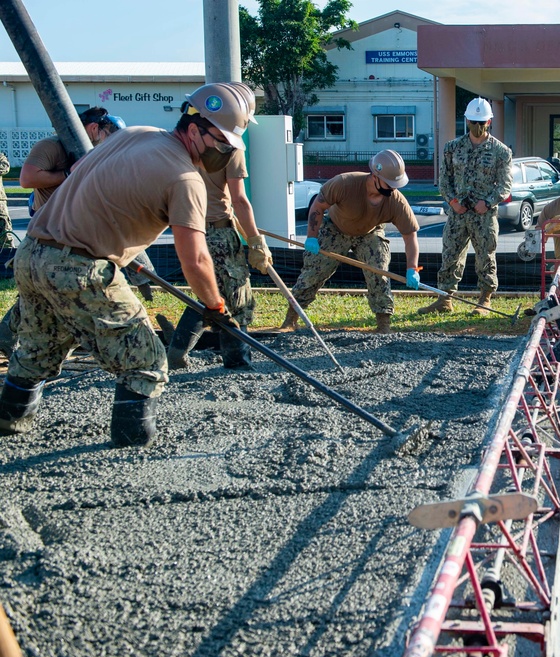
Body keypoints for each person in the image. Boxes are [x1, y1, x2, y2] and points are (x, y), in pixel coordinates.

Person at [0, 82, 251, 448]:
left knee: (39, 348)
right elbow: (195, 258)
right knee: (146, 360)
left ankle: (10, 423)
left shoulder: (136, 133)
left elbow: (87, 175)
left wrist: (117, 242)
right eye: (221, 142)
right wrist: (216, 307)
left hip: (33, 257)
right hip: (80, 268)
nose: (224, 152)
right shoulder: (185, 178)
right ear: (194, 128)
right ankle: (131, 448)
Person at [0, 110, 157, 358]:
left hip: (80, 233)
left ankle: (12, 339)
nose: (111, 141)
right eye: (109, 135)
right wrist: (69, 173)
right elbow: (27, 178)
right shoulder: (51, 146)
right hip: (52, 232)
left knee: (47, 295)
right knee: (53, 293)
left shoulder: (96, 153)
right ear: (94, 129)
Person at [165, 82, 273, 369]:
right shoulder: (230, 145)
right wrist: (255, 241)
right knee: (238, 298)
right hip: (220, 232)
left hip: (192, 229)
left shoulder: (182, 140)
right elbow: (240, 200)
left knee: (209, 293)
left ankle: (177, 349)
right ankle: (237, 359)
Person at [279, 149, 420, 334]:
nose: (393, 189)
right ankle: (291, 319)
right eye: (389, 184)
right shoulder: (344, 183)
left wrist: (412, 269)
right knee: (314, 271)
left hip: (369, 233)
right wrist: (312, 238)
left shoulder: (396, 201)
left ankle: (383, 325)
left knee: (379, 272)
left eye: (395, 185)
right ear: (375, 176)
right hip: (336, 228)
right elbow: (318, 206)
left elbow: (410, 236)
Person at [417, 97, 512, 316]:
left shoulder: (501, 152)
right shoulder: (452, 148)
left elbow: (505, 185)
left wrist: (487, 202)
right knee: (450, 254)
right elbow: (444, 180)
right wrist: (452, 201)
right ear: (466, 120)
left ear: (489, 122)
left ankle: (484, 300)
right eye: (474, 122)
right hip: (457, 214)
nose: (478, 127)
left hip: (484, 216)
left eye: (482, 122)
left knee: (485, 257)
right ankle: (444, 299)